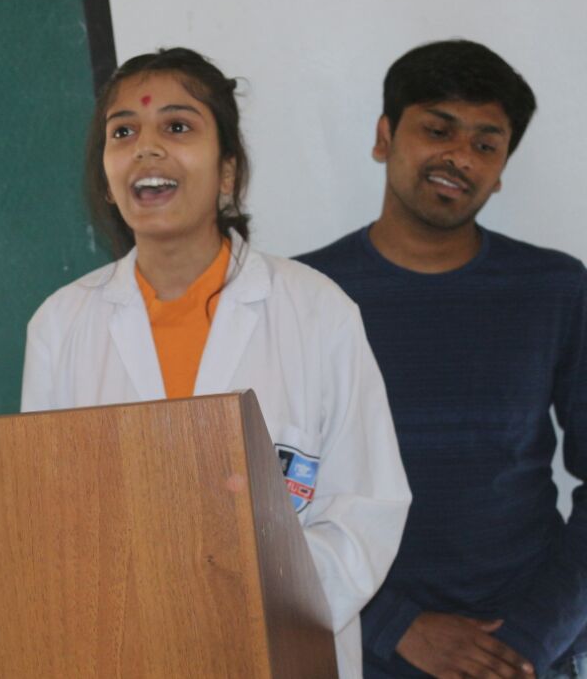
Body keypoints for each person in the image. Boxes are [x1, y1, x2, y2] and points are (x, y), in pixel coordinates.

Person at [21, 48, 411, 678]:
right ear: (106, 177)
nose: (147, 148)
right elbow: (49, 522)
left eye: (177, 126)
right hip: (125, 653)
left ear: (228, 172)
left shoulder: (318, 312)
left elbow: (367, 510)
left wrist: (246, 605)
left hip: (280, 652)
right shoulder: (61, 327)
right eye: (123, 132)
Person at [299, 39, 586, 679]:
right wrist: (395, 627)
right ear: (384, 137)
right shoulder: (305, 295)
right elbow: (268, 500)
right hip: (357, 650)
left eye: (486, 143)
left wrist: (530, 642)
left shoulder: (556, 289)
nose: (460, 156)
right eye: (438, 129)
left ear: (501, 169)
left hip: (527, 654)